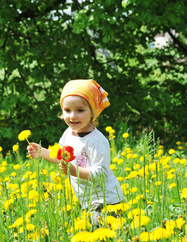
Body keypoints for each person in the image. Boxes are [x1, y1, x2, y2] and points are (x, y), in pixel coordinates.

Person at [27, 79, 124, 225]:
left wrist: (74, 171)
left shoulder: (96, 141)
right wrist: (42, 152)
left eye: (80, 110)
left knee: (108, 239)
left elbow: (101, 174)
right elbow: (59, 155)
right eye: (67, 110)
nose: (72, 115)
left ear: (93, 112)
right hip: (88, 201)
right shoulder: (68, 133)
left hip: (107, 201)